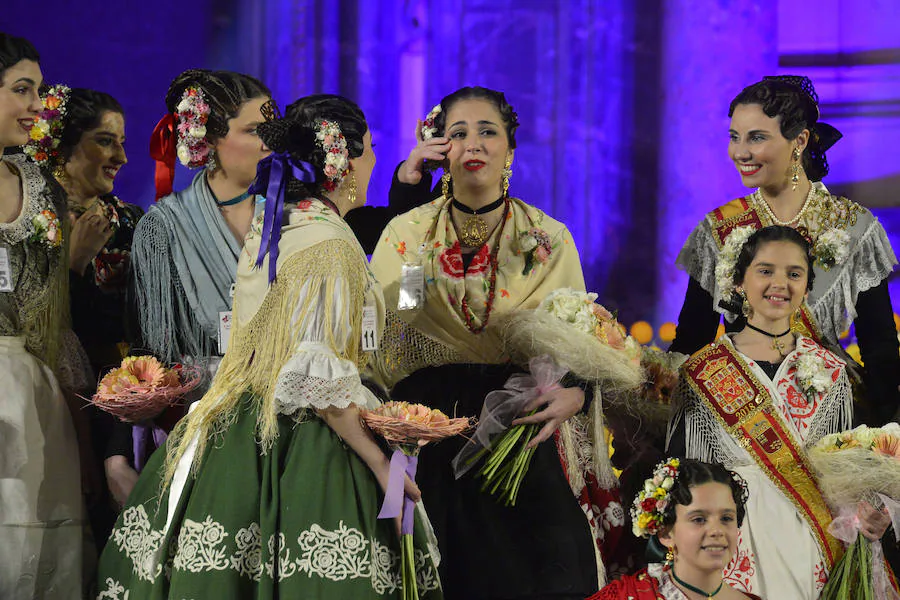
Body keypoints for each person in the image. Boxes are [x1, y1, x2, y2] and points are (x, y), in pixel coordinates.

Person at [95, 94, 442, 599]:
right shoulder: (327, 242)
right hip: (305, 435)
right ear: (341, 162)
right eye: (368, 151)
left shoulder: (281, 222)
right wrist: (379, 461)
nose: (372, 163)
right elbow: (318, 376)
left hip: (239, 420)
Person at [371, 86, 603, 599]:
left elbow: (576, 333)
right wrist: (411, 208)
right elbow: (402, 317)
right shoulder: (410, 233)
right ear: (438, 147)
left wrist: (578, 389)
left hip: (517, 423)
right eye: (457, 133)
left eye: (487, 131)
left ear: (510, 150)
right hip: (429, 423)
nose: (472, 143)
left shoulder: (548, 237)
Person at [667, 225, 891, 598]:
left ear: (806, 287)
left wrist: (870, 511)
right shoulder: (702, 370)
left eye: (794, 273)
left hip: (812, 542)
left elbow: (847, 472)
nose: (780, 284)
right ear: (740, 281)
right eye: (765, 270)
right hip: (731, 541)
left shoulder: (831, 371)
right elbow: (682, 474)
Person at [670, 75, 899, 425]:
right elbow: (692, 342)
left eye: (756, 138)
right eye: (734, 137)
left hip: (832, 414)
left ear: (800, 141)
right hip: (743, 414)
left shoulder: (853, 226)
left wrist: (887, 436)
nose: (740, 152)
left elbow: (879, 346)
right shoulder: (719, 228)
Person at [0, 32, 85, 598]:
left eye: (39, 90)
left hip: (34, 388)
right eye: (21, 90)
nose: (37, 106)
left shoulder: (39, 186)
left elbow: (51, 306)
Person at [591, 459, 759, 600]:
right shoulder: (627, 595)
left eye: (726, 518)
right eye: (699, 519)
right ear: (665, 534)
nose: (717, 530)